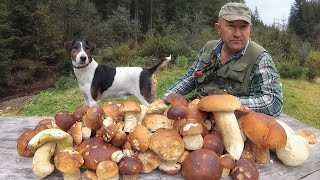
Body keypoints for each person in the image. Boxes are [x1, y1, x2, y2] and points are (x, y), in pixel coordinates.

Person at [161, 2, 283, 116]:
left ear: (250, 28)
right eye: (231, 26)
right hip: (196, 112)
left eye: (243, 27)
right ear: (218, 28)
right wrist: (164, 99)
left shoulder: (259, 57)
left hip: (233, 121)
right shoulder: (208, 48)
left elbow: (273, 102)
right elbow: (190, 79)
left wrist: (222, 104)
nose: (237, 33)